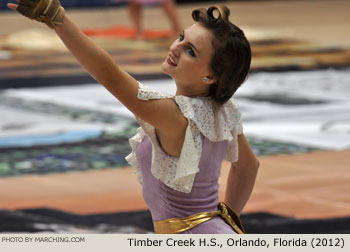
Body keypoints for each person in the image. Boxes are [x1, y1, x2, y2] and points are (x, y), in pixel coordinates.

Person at [8, 0, 259, 234]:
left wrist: (58, 18)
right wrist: (226, 222)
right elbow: (248, 166)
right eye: (182, 38)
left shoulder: (175, 116)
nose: (175, 47)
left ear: (210, 77)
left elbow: (111, 75)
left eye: (190, 51)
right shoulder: (224, 111)